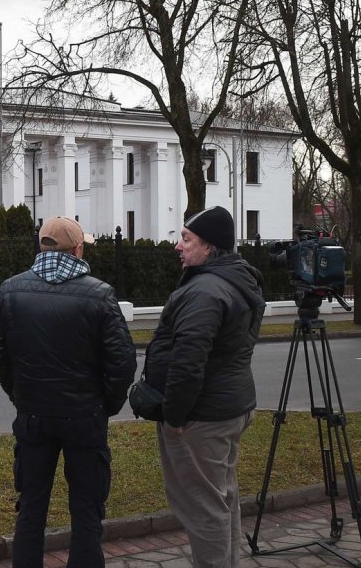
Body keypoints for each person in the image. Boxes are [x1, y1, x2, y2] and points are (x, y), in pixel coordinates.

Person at [0, 216, 137, 567]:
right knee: (86, 508)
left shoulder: (11, 290)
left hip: (34, 418)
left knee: (31, 508)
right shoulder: (99, 294)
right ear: (78, 248)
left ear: (42, 246)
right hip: (84, 418)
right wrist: (105, 405)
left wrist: (20, 394)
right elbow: (122, 362)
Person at [143, 205, 265, 568]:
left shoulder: (205, 291)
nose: (178, 246)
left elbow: (189, 361)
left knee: (204, 509)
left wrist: (175, 416)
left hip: (201, 418)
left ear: (208, 247)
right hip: (229, 407)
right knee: (222, 499)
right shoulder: (238, 279)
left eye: (186, 239)